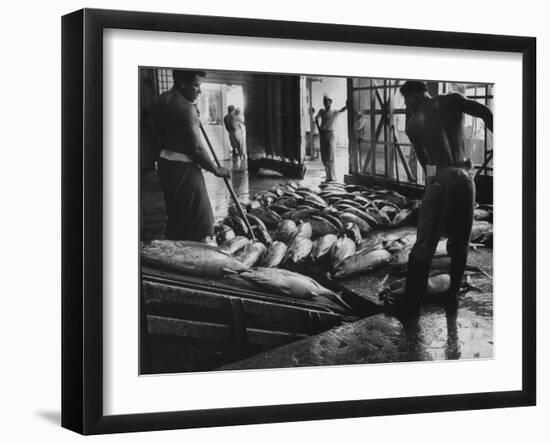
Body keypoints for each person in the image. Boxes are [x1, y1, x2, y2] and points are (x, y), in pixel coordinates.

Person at [390, 80, 493, 316]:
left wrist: (433, 187)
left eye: (407, 101)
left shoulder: (413, 125)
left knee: (425, 243)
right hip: (465, 178)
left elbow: (427, 163)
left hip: (439, 179)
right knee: (460, 242)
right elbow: (485, 113)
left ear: (414, 95)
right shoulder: (453, 99)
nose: (407, 105)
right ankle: (452, 296)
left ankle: (411, 304)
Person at [151, 69, 230, 242]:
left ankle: (177, 249)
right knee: (202, 222)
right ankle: (199, 256)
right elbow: (197, 149)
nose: (199, 91)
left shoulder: (159, 101)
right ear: (182, 83)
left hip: (165, 165)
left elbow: (157, 136)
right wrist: (216, 169)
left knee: (177, 214)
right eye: (196, 86)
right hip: (184, 167)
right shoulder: (186, 108)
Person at [314, 94, 347, 182]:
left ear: (330, 102)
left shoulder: (334, 112)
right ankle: (328, 176)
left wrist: (347, 105)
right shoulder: (321, 111)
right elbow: (316, 118)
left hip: (331, 134)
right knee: (324, 156)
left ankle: (333, 177)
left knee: (330, 155)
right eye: (323, 101)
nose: (324, 102)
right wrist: (319, 129)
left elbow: (342, 110)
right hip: (323, 134)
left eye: (326, 101)